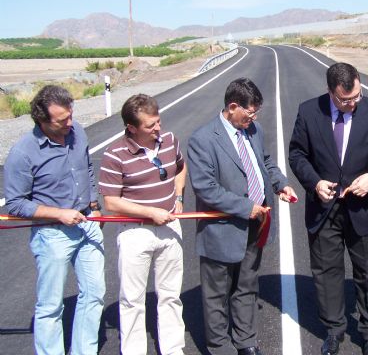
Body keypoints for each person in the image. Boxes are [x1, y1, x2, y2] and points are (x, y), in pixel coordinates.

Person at [289, 62, 368, 355]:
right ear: (330, 91)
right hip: (324, 208)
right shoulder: (308, 112)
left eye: (357, 96)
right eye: (345, 99)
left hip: (362, 208)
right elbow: (297, 154)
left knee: (365, 270)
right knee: (327, 271)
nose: (353, 103)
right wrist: (314, 183)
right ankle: (334, 329)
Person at [188, 78, 297, 355]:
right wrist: (246, 207)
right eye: (249, 113)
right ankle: (220, 347)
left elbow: (265, 162)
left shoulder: (253, 130)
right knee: (217, 294)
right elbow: (206, 188)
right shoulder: (203, 139)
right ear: (233, 106)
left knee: (247, 286)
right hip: (222, 229)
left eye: (256, 113)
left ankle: (245, 340)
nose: (253, 119)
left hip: (255, 225)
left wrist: (280, 184)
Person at [4, 84, 105, 355]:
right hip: (52, 234)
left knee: (94, 295)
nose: (70, 123)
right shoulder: (23, 153)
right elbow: (15, 203)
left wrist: (94, 205)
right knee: (50, 306)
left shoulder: (78, 131)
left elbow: (86, 168)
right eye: (62, 120)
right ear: (42, 120)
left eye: (71, 115)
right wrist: (59, 213)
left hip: (87, 224)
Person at [98, 94, 186, 355]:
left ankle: (173, 349)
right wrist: (150, 213)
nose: (158, 128)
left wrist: (178, 196)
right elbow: (111, 202)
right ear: (131, 127)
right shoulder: (115, 154)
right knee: (132, 299)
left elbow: (180, 167)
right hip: (135, 233)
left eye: (158, 121)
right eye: (150, 125)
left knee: (171, 294)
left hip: (170, 227)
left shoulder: (169, 140)